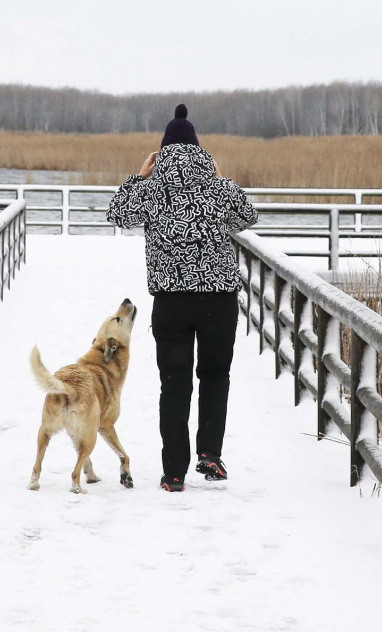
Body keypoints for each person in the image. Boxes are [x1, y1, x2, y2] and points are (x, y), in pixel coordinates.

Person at [106, 104, 258, 492]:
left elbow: (118, 214)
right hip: (218, 301)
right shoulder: (216, 187)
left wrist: (140, 177)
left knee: (174, 384)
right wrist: (222, 181)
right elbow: (248, 217)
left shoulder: (153, 189)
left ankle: (174, 472)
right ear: (199, 150)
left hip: (171, 302)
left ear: (163, 152)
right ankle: (209, 453)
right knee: (215, 376)